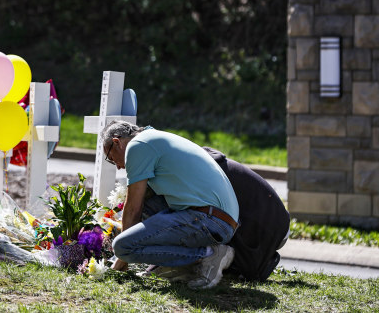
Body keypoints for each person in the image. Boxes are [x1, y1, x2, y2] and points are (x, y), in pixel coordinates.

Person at [102, 121, 239, 289]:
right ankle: (176, 266)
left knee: (123, 247)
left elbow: (133, 209)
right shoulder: (152, 137)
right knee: (147, 204)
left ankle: (208, 255)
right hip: (219, 218)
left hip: (210, 220)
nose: (117, 165)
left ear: (117, 142)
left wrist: (121, 257)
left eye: (110, 158)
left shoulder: (136, 146)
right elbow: (141, 206)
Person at [202, 147, 290, 281]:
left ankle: (256, 264)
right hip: (278, 218)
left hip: (272, 225)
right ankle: (248, 262)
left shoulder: (205, 172)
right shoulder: (207, 163)